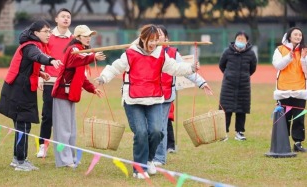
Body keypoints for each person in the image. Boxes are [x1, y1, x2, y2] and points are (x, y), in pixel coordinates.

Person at [94, 24, 198, 179]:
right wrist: (103, 77)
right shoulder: (130, 53)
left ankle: (149, 159)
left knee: (157, 131)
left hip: (154, 98)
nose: (153, 44)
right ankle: (139, 169)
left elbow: (175, 68)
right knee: (141, 133)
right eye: (150, 40)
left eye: (156, 40)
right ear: (142, 38)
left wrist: (191, 68)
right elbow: (115, 67)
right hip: (133, 99)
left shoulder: (161, 54)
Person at [0, 19, 63, 171]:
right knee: (23, 124)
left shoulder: (31, 45)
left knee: (21, 125)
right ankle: (21, 161)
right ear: (35, 33)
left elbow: (25, 65)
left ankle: (17, 159)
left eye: (49, 31)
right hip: (19, 90)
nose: (49, 34)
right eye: (45, 31)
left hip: (20, 88)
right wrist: (51, 60)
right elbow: (37, 56)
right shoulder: (31, 46)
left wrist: (40, 73)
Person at [153, 25, 213, 166]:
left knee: (161, 127)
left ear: (166, 38)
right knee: (150, 128)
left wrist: (201, 82)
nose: (156, 36)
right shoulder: (148, 50)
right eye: (154, 33)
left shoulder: (173, 53)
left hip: (166, 96)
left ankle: (159, 158)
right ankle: (150, 155)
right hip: (148, 95)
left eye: (160, 34)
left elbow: (186, 69)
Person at [51, 25, 106, 168]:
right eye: (85, 35)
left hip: (71, 94)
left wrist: (93, 89)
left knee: (71, 130)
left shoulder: (81, 50)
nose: (88, 38)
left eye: (90, 35)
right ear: (77, 37)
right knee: (63, 130)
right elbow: (75, 60)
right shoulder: (74, 49)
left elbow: (81, 77)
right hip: (62, 93)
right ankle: (63, 161)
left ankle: (71, 158)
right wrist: (93, 56)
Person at [37, 8, 73, 158]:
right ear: (56, 19)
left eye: (68, 17)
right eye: (63, 16)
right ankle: (42, 146)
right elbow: (41, 56)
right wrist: (40, 76)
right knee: (48, 115)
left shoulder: (74, 38)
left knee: (65, 118)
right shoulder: (49, 37)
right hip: (50, 81)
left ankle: (63, 149)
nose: (66, 19)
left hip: (67, 83)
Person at [272, 27, 307, 152]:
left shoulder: (304, 51)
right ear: (289, 36)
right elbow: (277, 65)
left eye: (300, 35)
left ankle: (298, 143)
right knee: (284, 118)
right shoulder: (280, 49)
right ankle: (282, 142)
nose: (298, 37)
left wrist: (303, 59)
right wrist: (288, 57)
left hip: (300, 90)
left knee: (299, 118)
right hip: (283, 90)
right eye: (295, 34)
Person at [219, 31, 257, 141]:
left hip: (243, 86)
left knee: (241, 110)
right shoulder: (227, 52)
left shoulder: (251, 54)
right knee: (226, 109)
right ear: (235, 39)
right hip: (228, 85)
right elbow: (222, 65)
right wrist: (229, 75)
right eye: (238, 38)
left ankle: (239, 132)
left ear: (247, 41)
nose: (240, 41)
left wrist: (243, 76)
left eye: (243, 39)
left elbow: (252, 68)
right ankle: (224, 133)